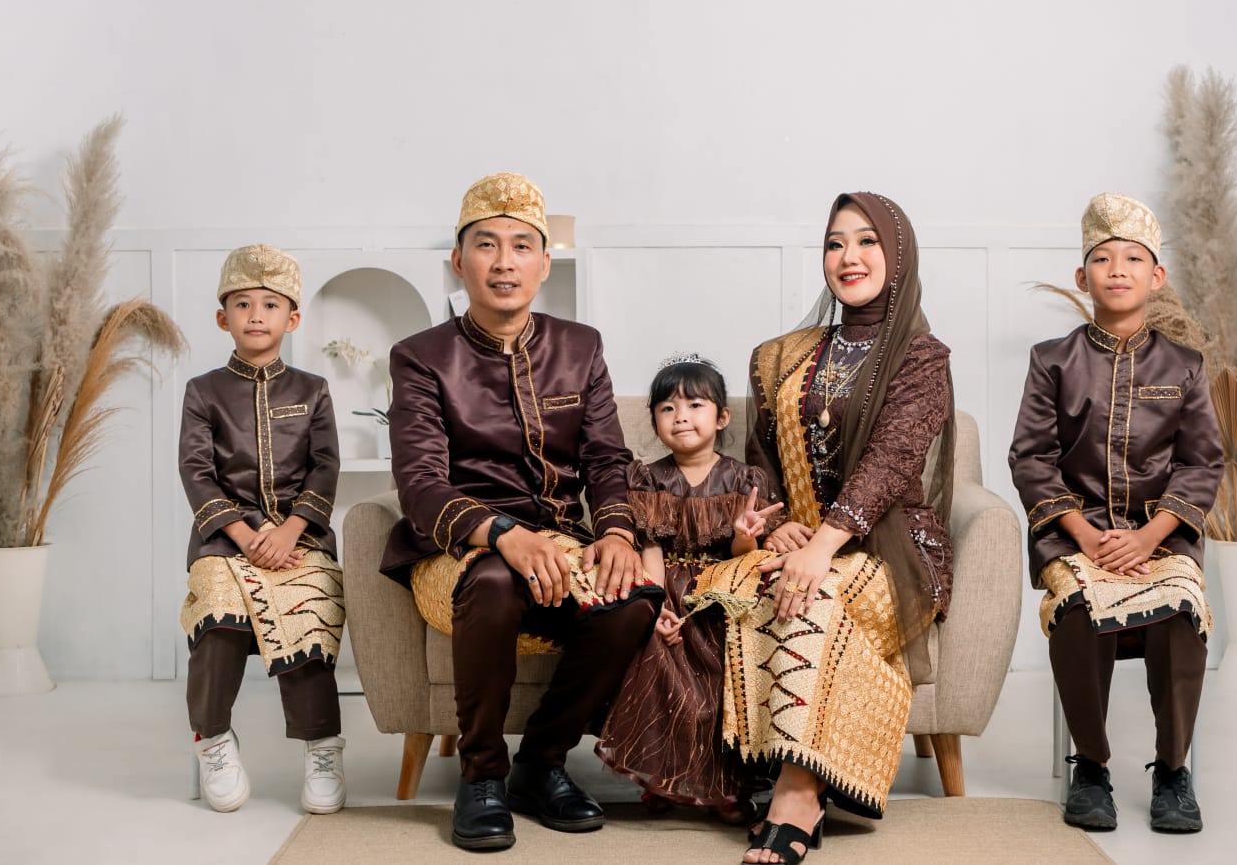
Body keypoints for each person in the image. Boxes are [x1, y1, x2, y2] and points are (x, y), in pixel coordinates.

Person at [380, 172, 659, 852]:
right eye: (486, 245)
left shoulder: (580, 347)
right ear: (458, 260)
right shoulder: (420, 357)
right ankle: (482, 776)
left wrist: (615, 532)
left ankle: (541, 762)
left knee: (632, 600)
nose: (504, 262)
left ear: (544, 263)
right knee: (495, 578)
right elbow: (420, 483)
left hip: (559, 545)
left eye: (520, 246)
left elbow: (606, 458)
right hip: (459, 552)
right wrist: (503, 534)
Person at [683, 192, 954, 865]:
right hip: (804, 540)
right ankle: (751, 771)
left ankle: (799, 795)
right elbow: (761, 458)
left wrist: (825, 545)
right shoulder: (782, 357)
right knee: (744, 588)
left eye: (867, 241)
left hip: (894, 549)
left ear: (898, 254)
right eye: (835, 243)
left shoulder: (921, 357)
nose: (848, 256)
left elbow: (893, 460)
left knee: (811, 595)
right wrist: (773, 526)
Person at [1008, 193, 1224, 834]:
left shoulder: (1185, 366)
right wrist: (1084, 533)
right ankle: (1092, 767)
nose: (1118, 269)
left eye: (1133, 258)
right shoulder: (1052, 360)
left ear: (1157, 277)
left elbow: (1202, 463)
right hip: (1074, 538)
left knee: (1180, 610)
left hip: (1164, 540)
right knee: (1077, 608)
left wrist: (1152, 536)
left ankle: (1173, 771)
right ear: (1083, 277)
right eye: (1103, 258)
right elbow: (1031, 457)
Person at [178, 244, 346, 815]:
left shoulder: (312, 389)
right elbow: (196, 472)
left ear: (291, 319)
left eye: (270, 305)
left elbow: (325, 466)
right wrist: (247, 537)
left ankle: (322, 748)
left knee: (308, 606)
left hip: (302, 540)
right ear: (221, 317)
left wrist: (291, 530)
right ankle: (213, 740)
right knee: (219, 615)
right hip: (223, 542)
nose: (256, 315)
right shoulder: (203, 392)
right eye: (242, 304)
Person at [595, 355, 785, 821]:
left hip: (722, 592)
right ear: (654, 421)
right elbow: (651, 547)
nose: (680, 416)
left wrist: (744, 534)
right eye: (667, 408)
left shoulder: (745, 479)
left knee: (719, 684)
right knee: (661, 673)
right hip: (670, 589)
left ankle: (725, 788)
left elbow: (743, 557)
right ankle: (666, 779)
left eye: (695, 405)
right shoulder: (647, 478)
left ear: (721, 417)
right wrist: (657, 605)